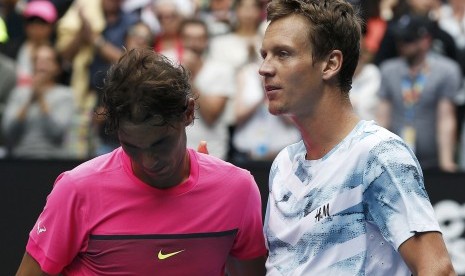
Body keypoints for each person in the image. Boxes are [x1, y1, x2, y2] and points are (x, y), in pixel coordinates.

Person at [15, 48, 267, 275]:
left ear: (189, 113)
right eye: (131, 146)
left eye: (160, 143)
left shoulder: (237, 189)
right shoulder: (76, 189)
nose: (148, 161)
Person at [258, 0, 456, 275]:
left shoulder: (379, 154)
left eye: (282, 54)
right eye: (264, 55)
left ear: (330, 64)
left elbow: (437, 270)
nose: (265, 68)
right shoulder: (284, 164)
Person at [377, 14, 461, 172]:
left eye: (408, 39)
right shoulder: (388, 70)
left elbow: (446, 118)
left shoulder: (446, 70)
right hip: (394, 161)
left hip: (433, 162)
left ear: (426, 40)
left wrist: (446, 162)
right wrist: (380, 157)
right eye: (399, 39)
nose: (401, 44)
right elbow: (383, 117)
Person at [2, 44, 74, 159]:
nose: (42, 64)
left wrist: (41, 98)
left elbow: (57, 133)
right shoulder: (18, 94)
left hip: (54, 159)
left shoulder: (65, 95)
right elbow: (9, 132)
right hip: (20, 160)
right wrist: (30, 99)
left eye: (48, 60)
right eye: (38, 60)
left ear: (57, 68)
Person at [180, 18, 236, 160]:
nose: (193, 43)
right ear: (181, 39)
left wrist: (190, 78)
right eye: (188, 38)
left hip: (212, 153)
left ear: (206, 41)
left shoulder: (222, 70)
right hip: (177, 153)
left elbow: (211, 115)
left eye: (198, 38)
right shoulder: (169, 67)